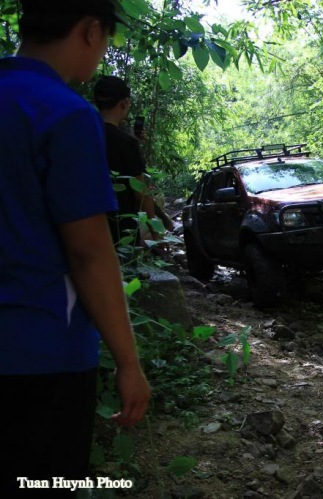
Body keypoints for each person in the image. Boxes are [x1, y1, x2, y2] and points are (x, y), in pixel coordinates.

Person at [0, 0, 151, 495]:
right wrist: (128, 364)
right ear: (90, 31)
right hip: (41, 350)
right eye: (105, 41)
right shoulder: (63, 113)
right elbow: (89, 251)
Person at [93, 75, 162, 247]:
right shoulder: (126, 144)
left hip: (85, 227)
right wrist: (156, 232)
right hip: (120, 232)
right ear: (124, 102)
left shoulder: (79, 134)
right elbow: (140, 192)